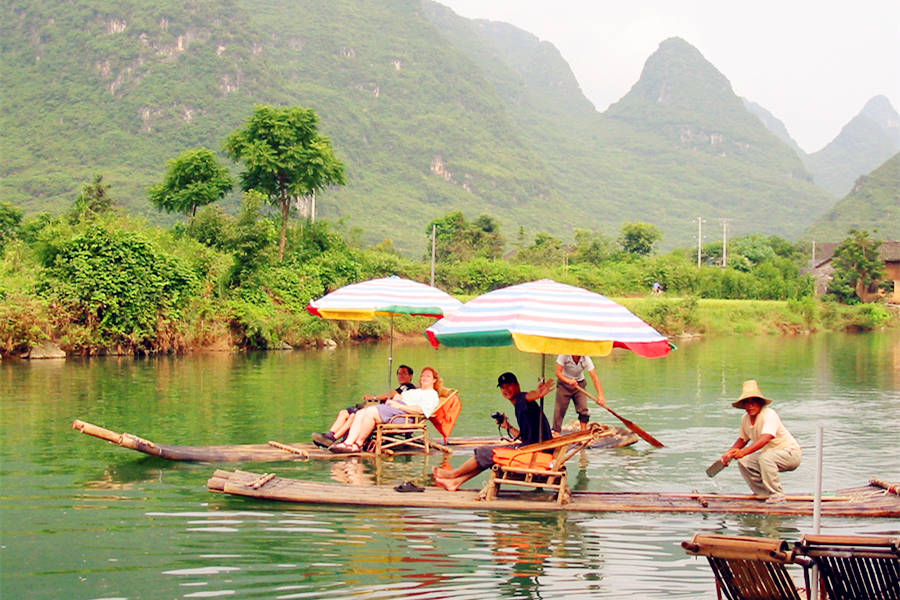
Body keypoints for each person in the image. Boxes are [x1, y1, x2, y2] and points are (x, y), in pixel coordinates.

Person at [432, 372, 555, 491]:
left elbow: (529, 396)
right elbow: (525, 438)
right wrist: (508, 427)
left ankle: (454, 474)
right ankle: (456, 482)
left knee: (486, 452)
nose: (506, 390)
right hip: (531, 447)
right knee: (488, 455)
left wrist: (538, 393)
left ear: (517, 385)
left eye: (509, 385)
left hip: (536, 453)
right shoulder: (520, 406)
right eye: (502, 387)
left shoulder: (522, 399)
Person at [329, 366, 445, 453]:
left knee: (370, 412)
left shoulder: (431, 394)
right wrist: (396, 400)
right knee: (362, 413)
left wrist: (400, 406)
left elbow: (421, 410)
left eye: (428, 376)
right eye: (423, 375)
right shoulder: (416, 391)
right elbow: (399, 396)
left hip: (403, 416)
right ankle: (353, 444)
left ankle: (352, 443)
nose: (424, 378)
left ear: (434, 380)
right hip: (395, 409)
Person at [720, 380, 802, 503]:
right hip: (769, 456)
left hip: (790, 454)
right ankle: (762, 493)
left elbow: (766, 437)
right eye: (747, 403)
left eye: (753, 402)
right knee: (744, 461)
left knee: (765, 457)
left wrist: (744, 451)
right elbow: (743, 439)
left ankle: (777, 494)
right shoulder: (745, 419)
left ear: (760, 403)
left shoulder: (769, 414)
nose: (750, 406)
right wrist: (730, 453)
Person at [312, 365, 416, 448]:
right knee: (344, 413)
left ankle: (333, 438)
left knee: (353, 416)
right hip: (379, 409)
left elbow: (392, 394)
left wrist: (374, 397)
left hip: (381, 413)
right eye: (399, 373)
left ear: (410, 376)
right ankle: (330, 434)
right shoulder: (402, 388)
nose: (401, 376)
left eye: (404, 373)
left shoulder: (408, 387)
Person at [552, 355, 604, 434]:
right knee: (560, 410)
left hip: (579, 384)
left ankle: (583, 432)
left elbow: (594, 377)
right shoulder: (564, 355)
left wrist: (600, 395)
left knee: (583, 409)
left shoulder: (585, 358)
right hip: (564, 384)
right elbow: (558, 372)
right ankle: (556, 432)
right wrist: (568, 380)